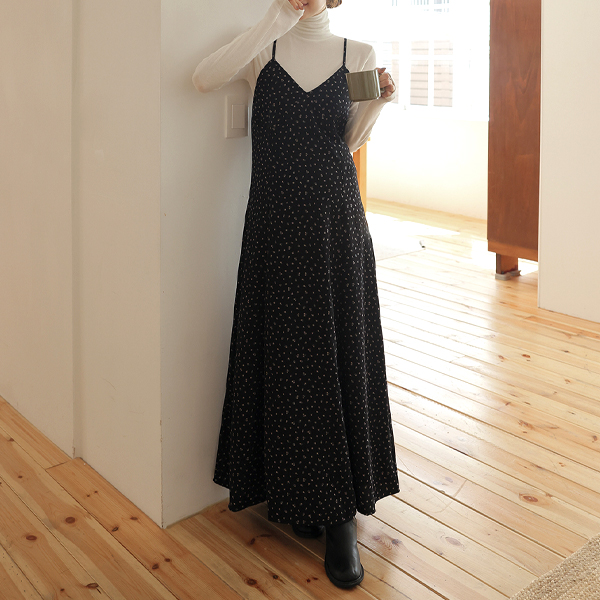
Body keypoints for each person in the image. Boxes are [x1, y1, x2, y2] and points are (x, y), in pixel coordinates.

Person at [193, 0, 400, 589]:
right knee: (288, 356)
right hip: (274, 227)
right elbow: (203, 77)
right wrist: (276, 18)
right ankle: (297, 490)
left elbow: (349, 140)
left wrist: (379, 102)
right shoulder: (264, 48)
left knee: (334, 355)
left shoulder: (358, 54)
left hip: (335, 223)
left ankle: (340, 518)